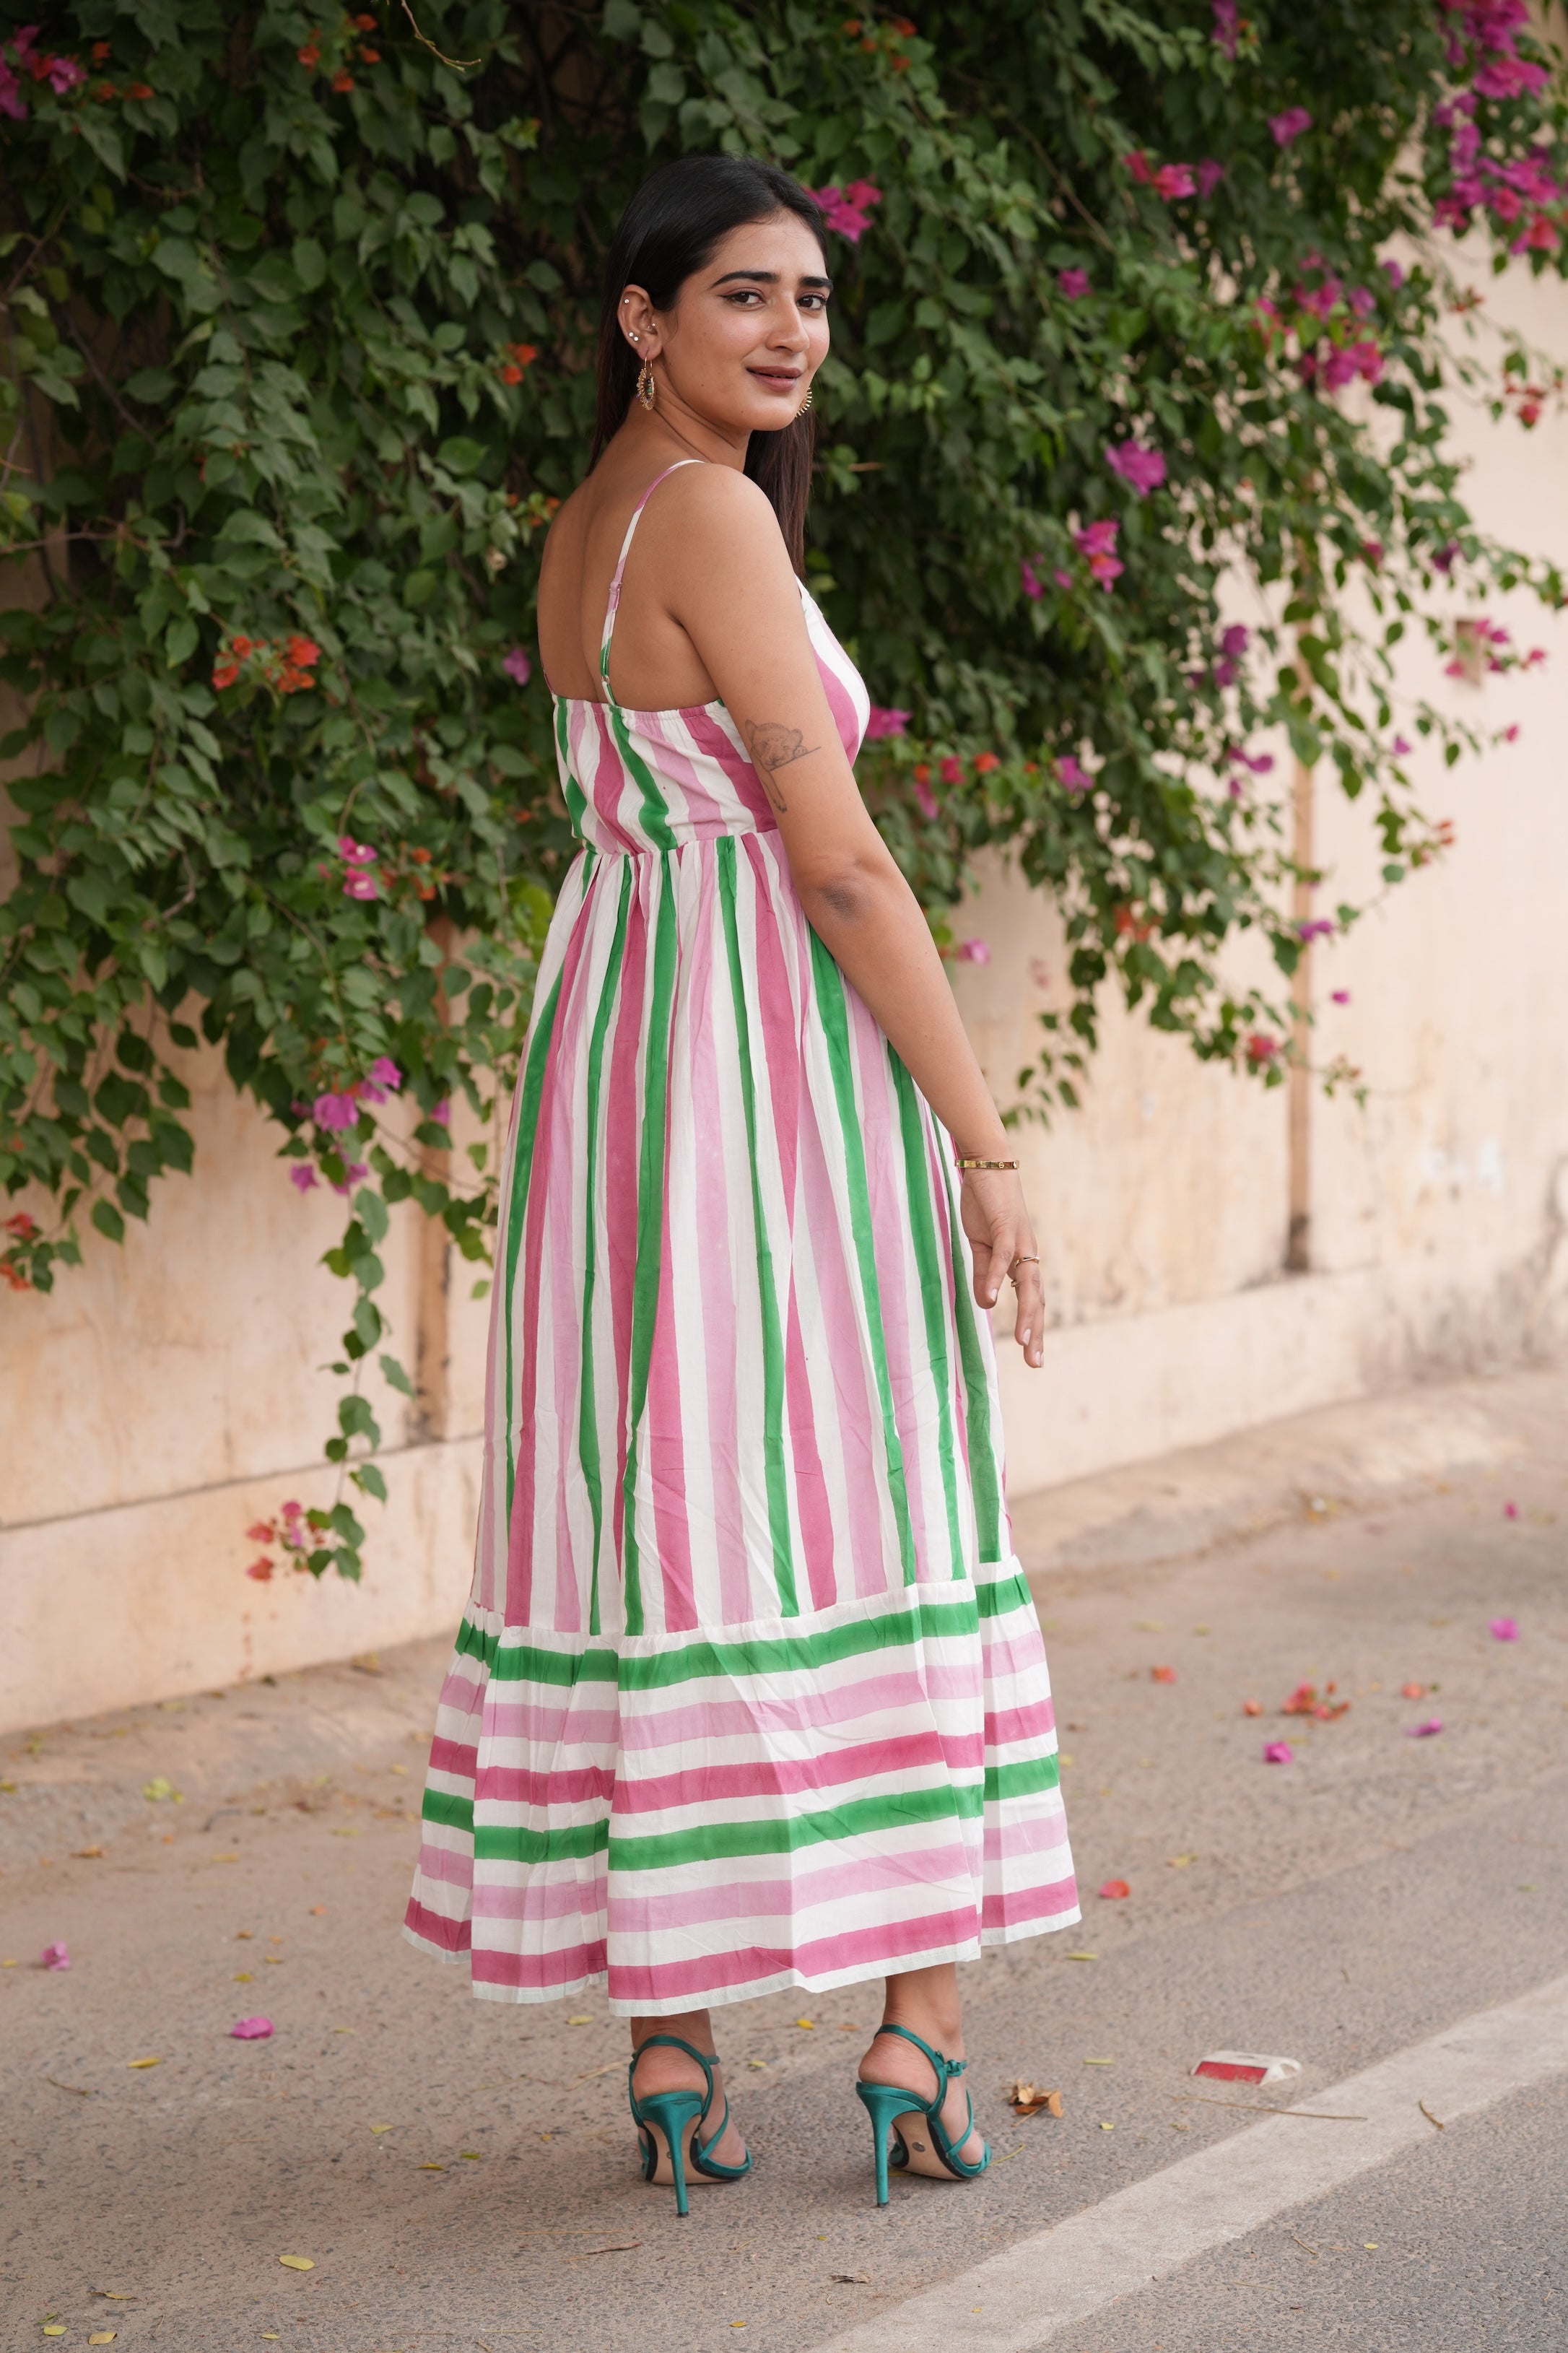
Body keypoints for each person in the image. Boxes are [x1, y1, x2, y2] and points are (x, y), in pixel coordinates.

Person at [405, 154, 1079, 2214]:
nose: (788, 330)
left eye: (806, 298)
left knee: (672, 1494)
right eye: (739, 297)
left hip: (624, 1060)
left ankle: (677, 2049)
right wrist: (982, 1139)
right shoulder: (703, 513)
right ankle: (916, 2034)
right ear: (641, 320)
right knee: (872, 1477)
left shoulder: (591, 524)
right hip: (763, 1065)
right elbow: (844, 861)